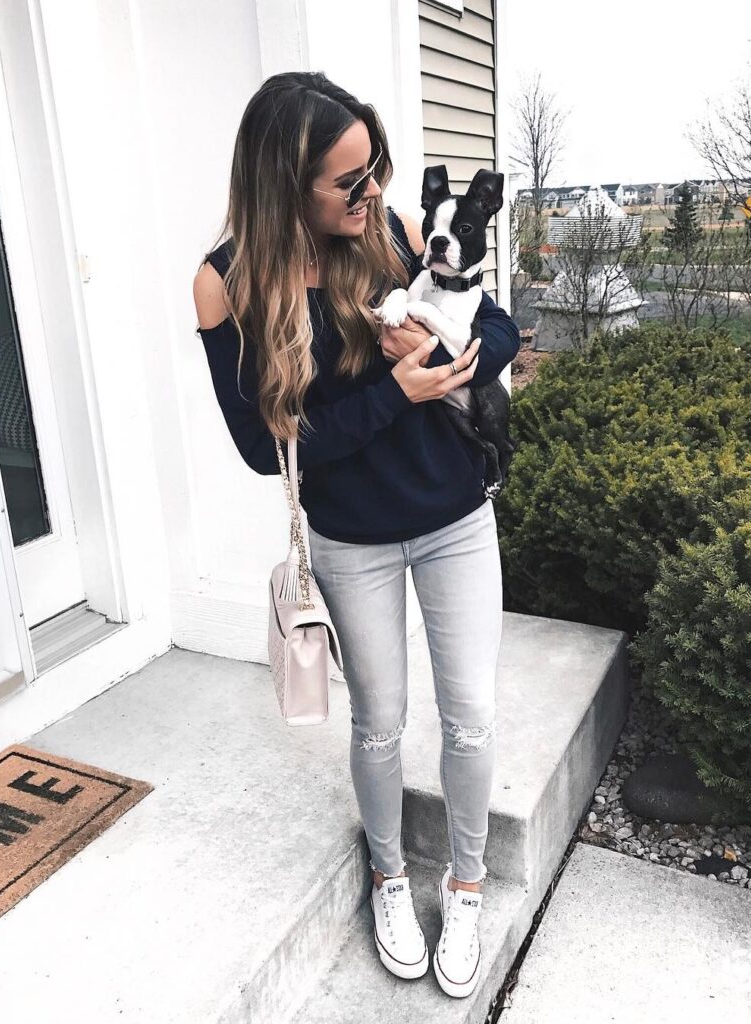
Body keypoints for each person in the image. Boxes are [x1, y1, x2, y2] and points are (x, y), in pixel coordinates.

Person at [193, 71, 521, 999]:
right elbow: (267, 449)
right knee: (379, 728)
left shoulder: (397, 236)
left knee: (470, 718)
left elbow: (495, 330)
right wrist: (394, 394)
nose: (373, 190)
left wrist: (439, 355)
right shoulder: (226, 286)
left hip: (455, 517)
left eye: (374, 168)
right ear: (284, 184)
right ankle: (387, 875)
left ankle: (464, 882)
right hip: (353, 540)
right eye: (349, 180)